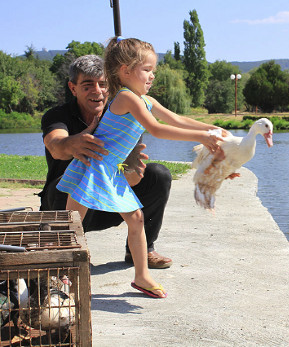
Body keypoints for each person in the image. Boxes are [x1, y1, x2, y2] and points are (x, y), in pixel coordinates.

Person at [54, 37, 225, 298]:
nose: (152, 75)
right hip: (92, 168)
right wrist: (201, 138)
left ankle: (142, 276)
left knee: (136, 219)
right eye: (147, 69)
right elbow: (156, 128)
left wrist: (211, 129)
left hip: (110, 170)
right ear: (125, 71)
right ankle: (59, 274)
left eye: (153, 70)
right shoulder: (125, 97)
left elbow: (176, 118)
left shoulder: (146, 100)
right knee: (71, 225)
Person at [39, 54, 173, 270]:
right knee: (64, 183)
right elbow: (55, 145)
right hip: (66, 204)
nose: (97, 91)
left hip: (107, 205)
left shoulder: (125, 113)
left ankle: (141, 250)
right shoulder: (58, 115)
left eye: (103, 84)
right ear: (73, 88)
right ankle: (71, 252)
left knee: (159, 174)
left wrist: (130, 171)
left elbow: (126, 169)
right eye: (88, 85)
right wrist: (75, 143)